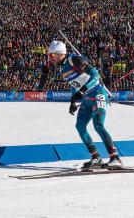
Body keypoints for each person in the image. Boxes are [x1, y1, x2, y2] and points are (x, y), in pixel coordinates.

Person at [47, 40, 123, 169]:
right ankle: (95, 157)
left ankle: (115, 158)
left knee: (98, 125)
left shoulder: (74, 59)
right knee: (80, 126)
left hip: (98, 93)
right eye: (49, 56)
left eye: (52, 55)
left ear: (60, 54)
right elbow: (74, 85)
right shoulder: (62, 68)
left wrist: (81, 92)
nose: (51, 58)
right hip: (87, 98)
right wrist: (72, 101)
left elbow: (96, 75)